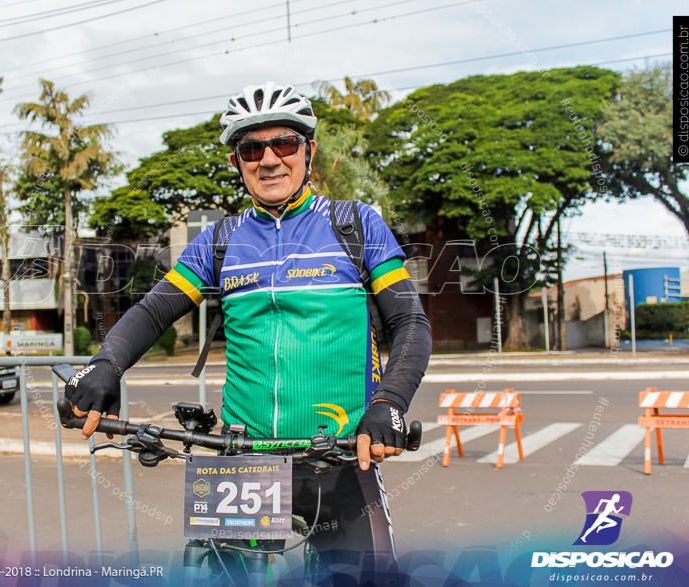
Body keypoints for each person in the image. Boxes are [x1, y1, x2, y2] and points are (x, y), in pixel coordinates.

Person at [65, 81, 432, 581]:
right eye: (251, 149)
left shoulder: (356, 226)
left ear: (309, 151)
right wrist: (105, 364)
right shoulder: (219, 241)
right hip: (241, 462)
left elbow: (408, 320)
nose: (269, 160)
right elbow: (153, 312)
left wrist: (388, 404)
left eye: (284, 144)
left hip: (342, 456)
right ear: (238, 162)